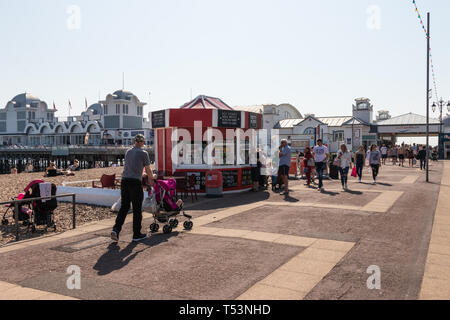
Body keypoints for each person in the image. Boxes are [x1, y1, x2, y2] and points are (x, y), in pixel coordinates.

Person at [111, 134, 154, 242]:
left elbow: (132, 167)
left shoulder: (128, 152)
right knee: (137, 209)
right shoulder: (144, 153)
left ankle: (116, 230)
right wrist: (151, 179)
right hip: (135, 183)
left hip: (125, 181)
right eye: (143, 142)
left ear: (135, 142)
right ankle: (136, 234)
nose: (144, 144)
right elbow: (148, 169)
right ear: (141, 142)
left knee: (124, 207)